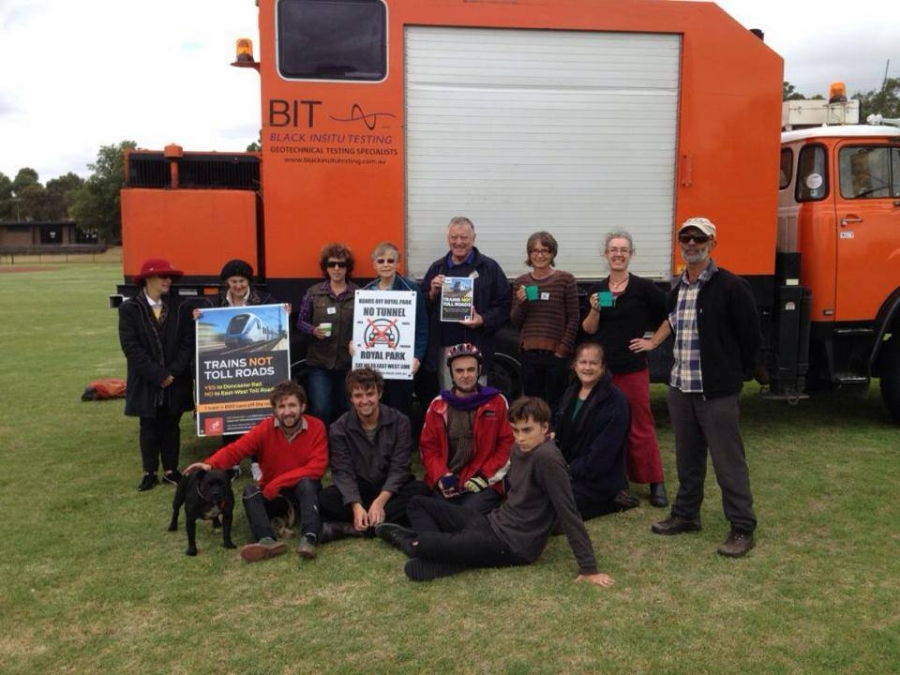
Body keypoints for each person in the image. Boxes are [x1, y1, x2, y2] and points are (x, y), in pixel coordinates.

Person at [375, 397, 615, 587]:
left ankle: (415, 544)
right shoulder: (519, 449)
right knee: (418, 503)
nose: (520, 438)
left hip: (512, 545)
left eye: (527, 430)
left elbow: (568, 511)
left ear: (545, 427)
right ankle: (448, 555)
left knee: (424, 542)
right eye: (515, 430)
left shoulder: (548, 458)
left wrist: (589, 568)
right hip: (491, 522)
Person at [632, 217, 760, 558]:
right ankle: (686, 515)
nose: (691, 243)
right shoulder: (678, 288)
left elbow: (751, 337)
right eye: (685, 238)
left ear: (712, 243)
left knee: (727, 461)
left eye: (698, 238)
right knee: (688, 458)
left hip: (715, 392)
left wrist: (733, 376)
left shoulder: (731, 286)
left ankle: (742, 527)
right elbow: (671, 325)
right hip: (680, 387)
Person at [183, 381, 327, 562]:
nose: (287, 411)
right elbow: (237, 449)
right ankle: (267, 541)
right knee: (250, 491)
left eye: (292, 405)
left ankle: (309, 538)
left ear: (303, 406)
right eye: (281, 406)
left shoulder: (317, 427)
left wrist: (278, 481)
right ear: (274, 410)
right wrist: (209, 464)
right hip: (273, 496)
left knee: (307, 482)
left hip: (304, 493)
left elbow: (318, 467)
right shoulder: (265, 428)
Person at [581, 231, 669, 507]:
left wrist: (652, 341)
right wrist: (594, 310)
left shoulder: (644, 288)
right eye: (613, 250)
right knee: (608, 426)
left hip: (632, 368)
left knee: (640, 424)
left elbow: (670, 316)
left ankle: (655, 481)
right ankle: (618, 481)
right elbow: (589, 330)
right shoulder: (597, 289)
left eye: (623, 250)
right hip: (604, 372)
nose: (618, 254)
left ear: (630, 254)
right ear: (606, 255)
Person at [318, 368, 431, 542]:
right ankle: (377, 523)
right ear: (350, 398)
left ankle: (350, 528)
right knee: (325, 499)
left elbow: (399, 468)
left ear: (380, 393)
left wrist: (380, 502)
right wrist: (355, 505)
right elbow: (343, 471)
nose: (364, 401)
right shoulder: (338, 428)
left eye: (370, 394)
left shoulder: (400, 421)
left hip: (390, 488)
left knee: (421, 491)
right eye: (358, 396)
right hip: (360, 488)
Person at [196, 258, 280, 480]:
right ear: (227, 282)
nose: (238, 286)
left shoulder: (264, 301)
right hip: (230, 372)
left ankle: (256, 461)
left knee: (257, 417)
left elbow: (281, 318)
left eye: (242, 281)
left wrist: (285, 312)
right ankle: (230, 463)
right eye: (233, 281)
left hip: (256, 370)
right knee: (227, 413)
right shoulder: (214, 304)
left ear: (248, 281)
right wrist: (197, 318)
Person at [118, 258, 196, 491]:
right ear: (148, 279)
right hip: (146, 379)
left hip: (175, 378)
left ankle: (171, 470)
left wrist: (173, 372)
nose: (168, 281)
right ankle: (149, 471)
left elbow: (187, 342)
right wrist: (157, 374)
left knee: (172, 423)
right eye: (163, 276)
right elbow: (131, 347)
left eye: (169, 277)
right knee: (149, 424)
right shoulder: (130, 309)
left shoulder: (181, 307)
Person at [420, 216, 511, 401]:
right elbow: (420, 308)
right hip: (445, 347)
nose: (459, 242)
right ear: (448, 239)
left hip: (477, 345)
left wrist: (483, 320)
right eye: (454, 237)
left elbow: (504, 305)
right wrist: (431, 293)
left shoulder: (490, 268)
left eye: (464, 238)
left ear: (473, 238)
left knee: (476, 399)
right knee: (449, 398)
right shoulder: (437, 268)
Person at [418, 343, 513, 514]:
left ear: (479, 370)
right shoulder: (437, 405)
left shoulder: (497, 402)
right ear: (451, 373)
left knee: (464, 513)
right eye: (459, 371)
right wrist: (442, 476)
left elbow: (507, 446)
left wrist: (485, 477)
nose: (466, 375)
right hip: (450, 480)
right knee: (430, 508)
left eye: (471, 369)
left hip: (484, 481)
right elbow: (428, 448)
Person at [554, 342, 638, 519]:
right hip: (570, 471)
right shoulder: (571, 391)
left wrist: (567, 471)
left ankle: (615, 500)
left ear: (602, 367)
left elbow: (602, 456)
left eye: (593, 363)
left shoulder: (615, 402)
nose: (587, 367)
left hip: (597, 480)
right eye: (583, 362)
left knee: (553, 504)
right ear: (574, 364)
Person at [510, 231, 579, 411]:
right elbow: (515, 321)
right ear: (529, 254)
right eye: (535, 251)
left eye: (545, 251)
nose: (539, 255)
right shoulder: (521, 282)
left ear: (552, 253)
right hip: (529, 354)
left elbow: (574, 317)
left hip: (556, 354)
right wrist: (522, 302)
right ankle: (536, 439)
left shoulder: (565, 279)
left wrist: (563, 350)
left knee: (557, 404)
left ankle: (557, 438)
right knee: (533, 405)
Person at [362, 242, 428, 418]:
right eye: (381, 260)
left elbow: (421, 327)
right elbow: (360, 325)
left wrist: (417, 357)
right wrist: (356, 344)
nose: (386, 265)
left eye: (390, 261)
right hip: (374, 363)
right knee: (375, 407)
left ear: (398, 264)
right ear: (374, 264)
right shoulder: (366, 292)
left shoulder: (411, 289)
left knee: (400, 408)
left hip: (401, 362)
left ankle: (402, 444)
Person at [296, 243, 358, 425]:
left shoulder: (359, 294)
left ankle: (346, 448)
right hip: (319, 363)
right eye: (332, 264)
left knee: (348, 408)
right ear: (326, 267)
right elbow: (300, 321)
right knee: (321, 408)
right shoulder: (314, 293)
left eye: (341, 264)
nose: (337, 269)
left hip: (348, 364)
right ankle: (321, 449)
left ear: (348, 268)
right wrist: (313, 330)